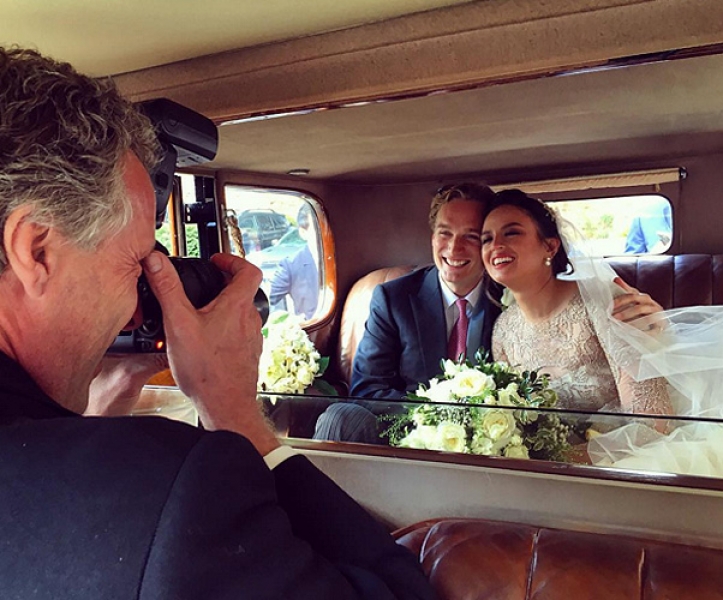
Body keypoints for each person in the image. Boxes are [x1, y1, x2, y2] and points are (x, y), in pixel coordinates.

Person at [0, 47, 435, 599]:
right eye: (138, 262)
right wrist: (234, 413)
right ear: (35, 249)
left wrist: (105, 393)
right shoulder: (169, 493)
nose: (139, 304)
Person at [481, 189, 672, 415]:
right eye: (486, 239)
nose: (495, 245)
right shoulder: (503, 329)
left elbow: (651, 417)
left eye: (511, 233)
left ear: (550, 247)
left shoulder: (605, 304)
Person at [269, 203, 320, 319]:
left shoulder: (345, 258)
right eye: (318, 227)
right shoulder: (290, 265)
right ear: (303, 233)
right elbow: (267, 300)